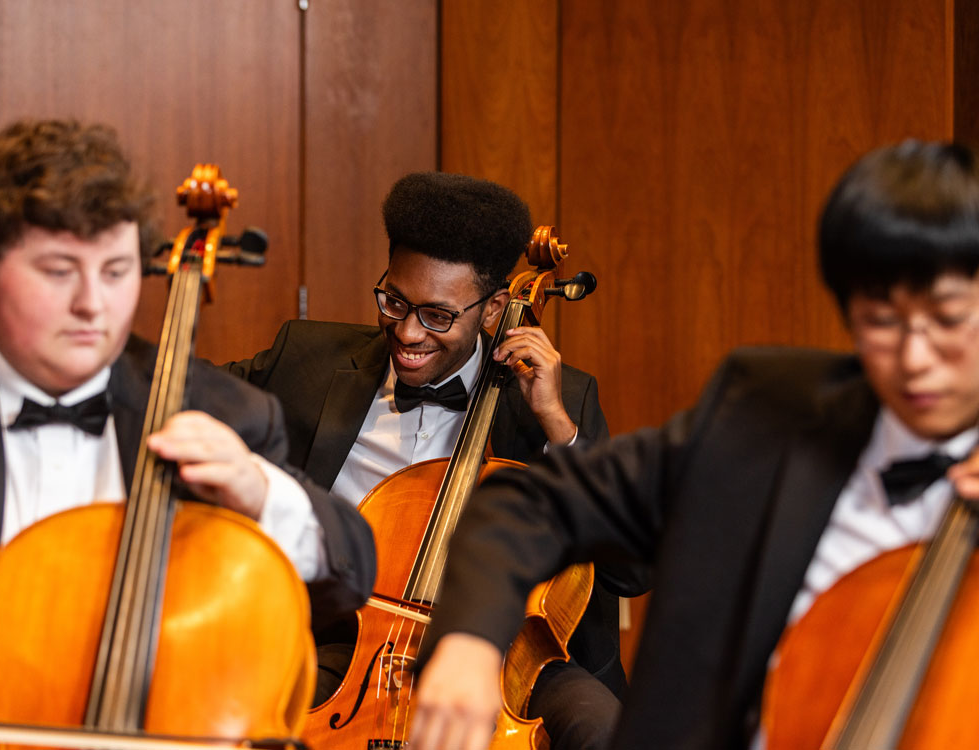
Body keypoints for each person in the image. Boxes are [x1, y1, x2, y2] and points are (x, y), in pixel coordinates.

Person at [408, 139, 979, 750]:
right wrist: (469, 641)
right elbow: (528, 504)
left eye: (948, 319)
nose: (916, 360)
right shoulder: (765, 415)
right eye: (882, 321)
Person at [223, 171, 648, 750]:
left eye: (437, 315)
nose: (406, 331)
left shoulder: (559, 398)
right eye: (394, 300)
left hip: (509, 660)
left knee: (604, 733)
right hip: (349, 648)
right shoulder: (307, 358)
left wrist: (557, 428)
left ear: (495, 307)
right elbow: (175, 395)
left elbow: (630, 571)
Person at [0, 118, 375, 624]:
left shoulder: (217, 410)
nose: (92, 305)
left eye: (116, 272)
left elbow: (351, 573)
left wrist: (259, 494)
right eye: (59, 272)